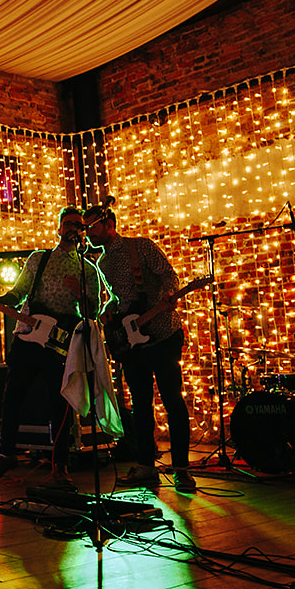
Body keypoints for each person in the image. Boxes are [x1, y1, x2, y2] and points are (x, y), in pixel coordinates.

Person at [0, 207, 109, 490]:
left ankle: (60, 465)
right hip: (28, 337)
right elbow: (18, 292)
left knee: (58, 402)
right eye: (68, 223)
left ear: (82, 231)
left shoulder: (87, 269)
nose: (73, 228)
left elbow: (93, 311)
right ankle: (6, 454)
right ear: (59, 228)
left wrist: (80, 293)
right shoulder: (39, 259)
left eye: (78, 225)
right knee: (12, 396)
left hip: (60, 342)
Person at [84, 205, 195, 493]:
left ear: (108, 223)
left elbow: (169, 276)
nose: (87, 233)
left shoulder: (141, 247)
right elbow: (117, 299)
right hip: (133, 343)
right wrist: (107, 312)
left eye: (91, 227)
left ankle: (182, 468)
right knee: (141, 405)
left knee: (172, 399)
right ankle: (146, 465)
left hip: (164, 334)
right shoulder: (103, 263)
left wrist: (170, 295)